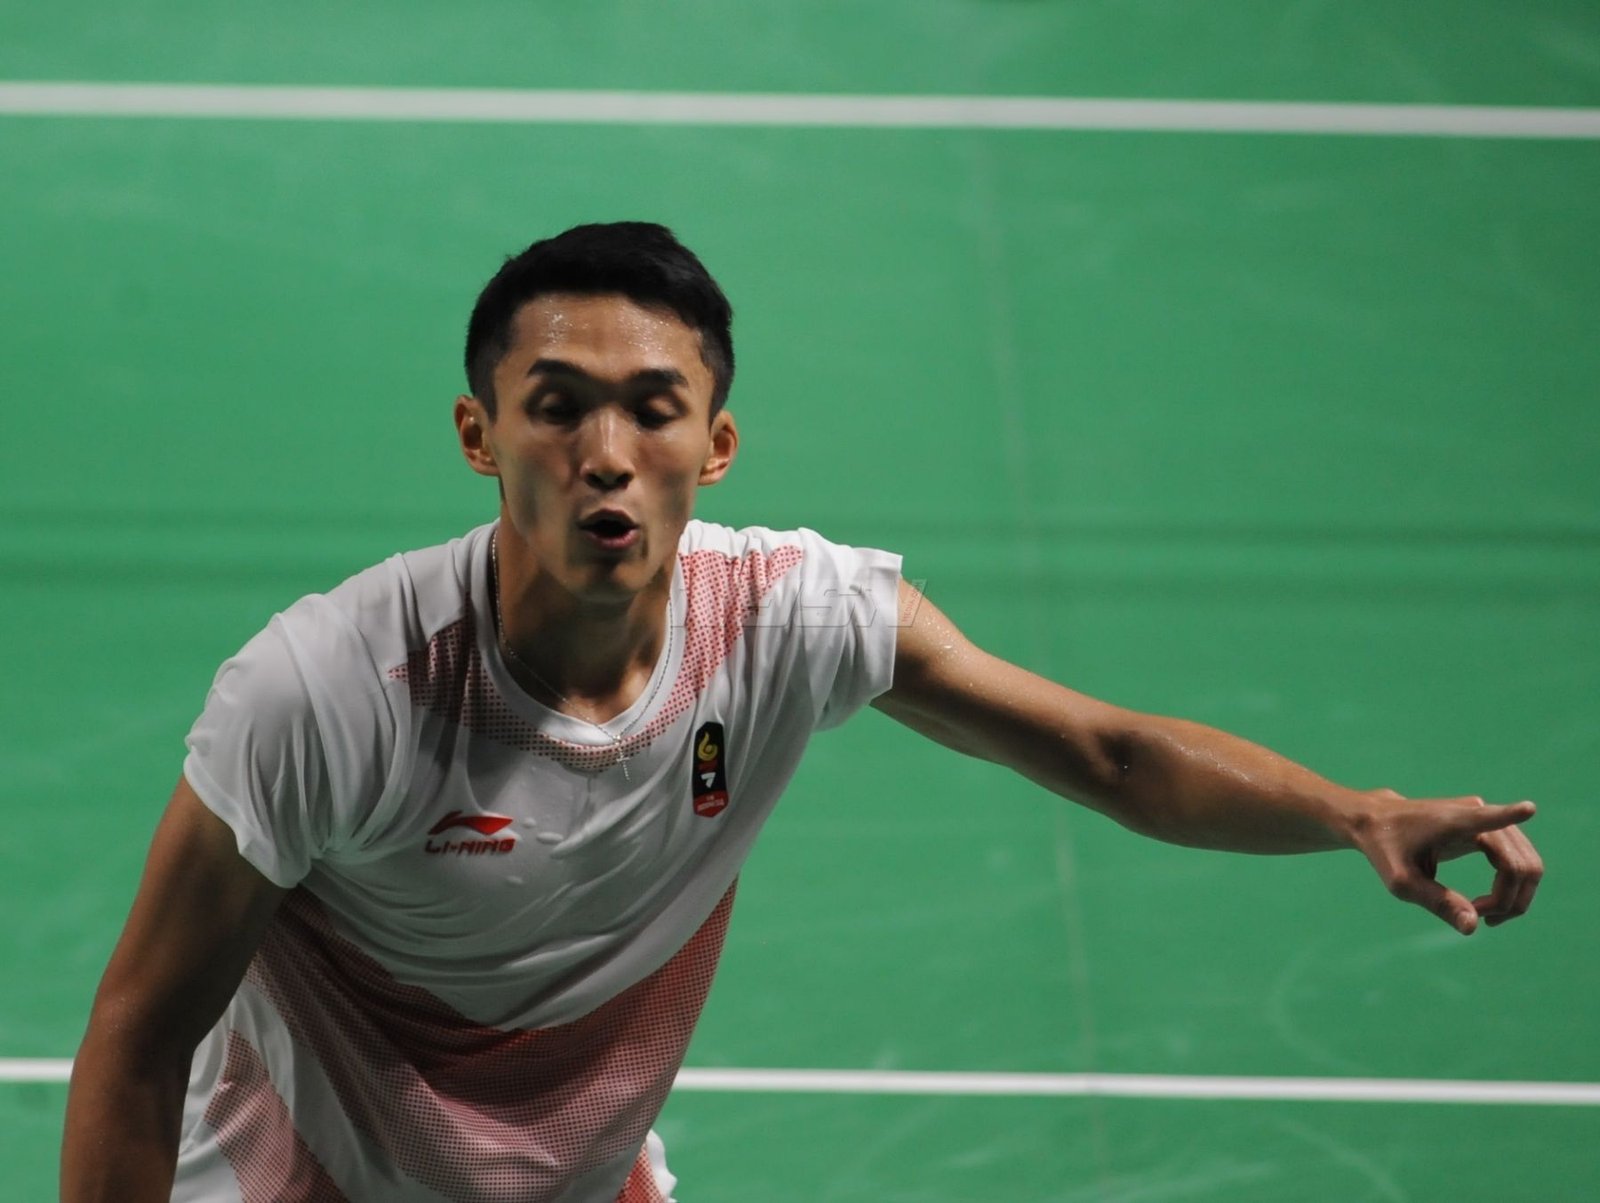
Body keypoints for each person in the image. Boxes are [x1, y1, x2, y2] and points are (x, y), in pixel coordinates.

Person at [61, 221, 1544, 1203]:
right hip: (297, 1178)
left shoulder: (785, 618)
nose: (605, 451)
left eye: (652, 407)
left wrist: (1354, 812)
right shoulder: (332, 689)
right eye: (556, 404)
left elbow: (1109, 754)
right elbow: (137, 1035)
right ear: (478, 434)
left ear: (716, 443)